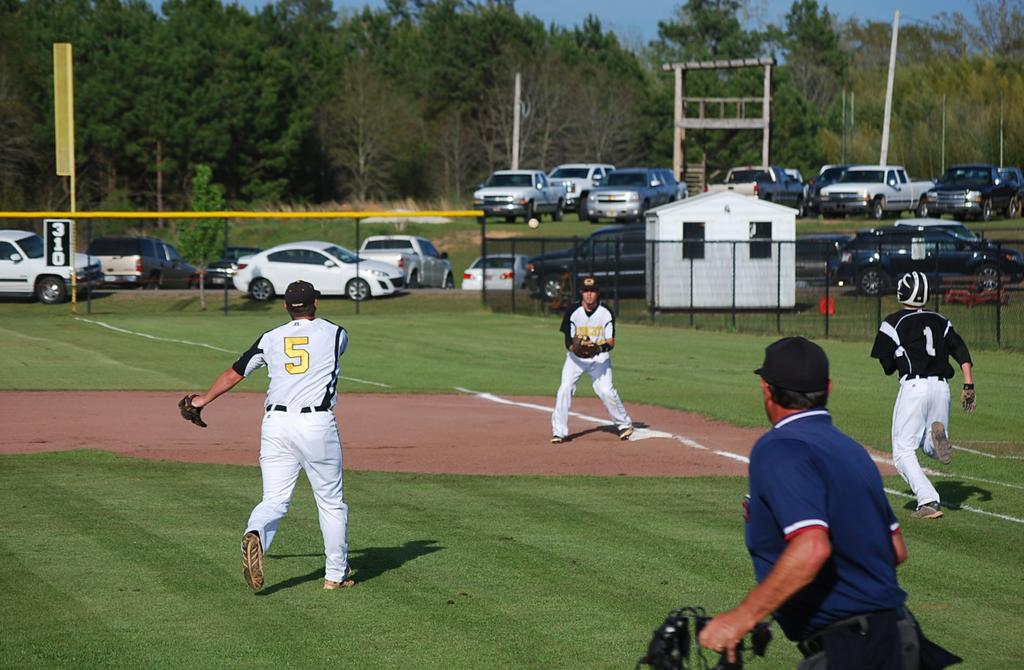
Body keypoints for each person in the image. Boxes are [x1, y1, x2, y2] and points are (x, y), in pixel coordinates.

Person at [699, 337, 960, 669]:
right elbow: (895, 550)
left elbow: (811, 548)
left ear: (767, 389)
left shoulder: (778, 448)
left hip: (853, 652)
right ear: (829, 388)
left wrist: (743, 616)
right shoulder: (852, 451)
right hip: (901, 639)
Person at [186, 280, 354, 591]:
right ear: (316, 301)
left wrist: (202, 401)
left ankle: (256, 532)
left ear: (285, 307)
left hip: (275, 424)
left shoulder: (271, 338)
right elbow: (332, 346)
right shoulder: (336, 333)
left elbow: (235, 372)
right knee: (331, 503)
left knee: (274, 499)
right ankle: (335, 575)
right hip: (315, 424)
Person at [870, 271, 975, 520]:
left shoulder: (893, 322)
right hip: (942, 386)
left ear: (903, 293)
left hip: (914, 387)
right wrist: (968, 383)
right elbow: (959, 349)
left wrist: (897, 357)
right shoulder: (940, 320)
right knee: (928, 446)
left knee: (903, 451)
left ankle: (928, 500)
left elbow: (886, 366)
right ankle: (937, 438)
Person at [551, 276, 633, 444]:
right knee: (564, 389)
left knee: (606, 390)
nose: (589, 295)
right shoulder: (573, 311)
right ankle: (559, 432)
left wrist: (597, 348)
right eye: (586, 291)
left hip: (599, 359)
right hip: (575, 360)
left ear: (597, 293)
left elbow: (611, 342)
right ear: (581, 293)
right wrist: (578, 348)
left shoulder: (605, 312)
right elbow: (568, 343)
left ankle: (624, 424)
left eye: (593, 291)